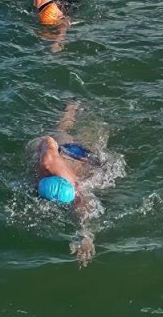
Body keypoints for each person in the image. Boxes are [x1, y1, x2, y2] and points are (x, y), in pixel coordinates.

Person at [27, 100, 110, 266]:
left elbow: (82, 206)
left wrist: (85, 235)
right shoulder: (47, 162)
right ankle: (71, 108)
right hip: (61, 153)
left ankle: (81, 109)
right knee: (59, 132)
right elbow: (49, 141)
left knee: (93, 136)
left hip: (73, 154)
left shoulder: (52, 164)